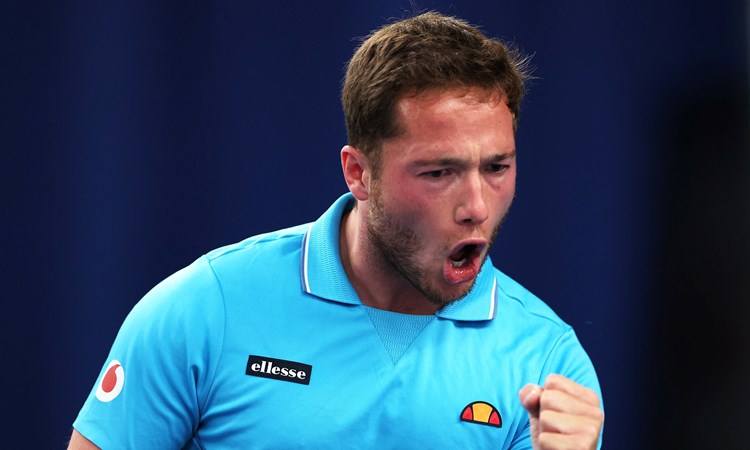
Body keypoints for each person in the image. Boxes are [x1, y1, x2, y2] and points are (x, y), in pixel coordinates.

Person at [69, 11, 604, 449]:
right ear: (359, 173)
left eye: (496, 167)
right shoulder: (208, 307)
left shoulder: (548, 365)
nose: (476, 206)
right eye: (439, 172)